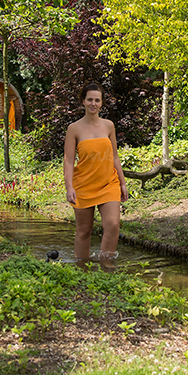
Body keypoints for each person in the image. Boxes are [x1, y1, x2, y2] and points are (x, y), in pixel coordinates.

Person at [64, 82, 129, 264]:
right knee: (84, 230)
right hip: (83, 186)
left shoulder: (108, 126)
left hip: (109, 183)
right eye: (90, 99)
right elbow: (69, 160)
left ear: (101, 103)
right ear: (83, 101)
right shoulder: (74, 129)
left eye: (97, 100)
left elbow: (115, 156)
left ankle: (106, 268)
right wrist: (69, 187)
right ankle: (82, 268)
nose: (93, 103)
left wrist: (123, 183)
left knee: (113, 225)